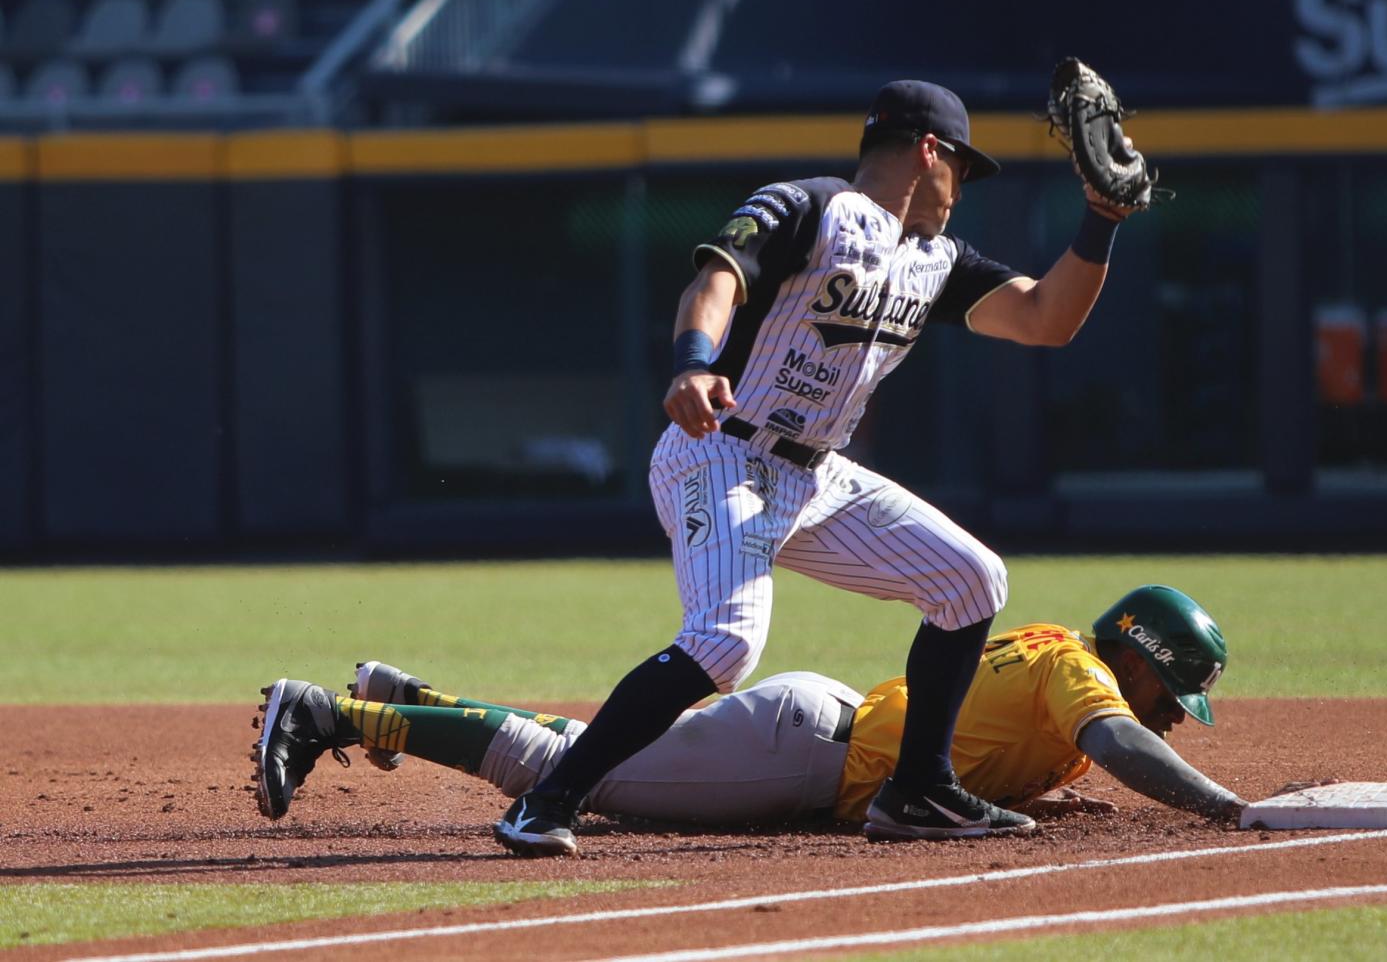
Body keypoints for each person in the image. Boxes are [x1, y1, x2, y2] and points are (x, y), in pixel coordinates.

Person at [490, 80, 1134, 854]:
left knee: (970, 580)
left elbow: (1044, 318)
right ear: (928, 150)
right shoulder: (810, 207)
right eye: (961, 169)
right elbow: (715, 280)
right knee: (725, 642)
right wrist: (693, 363)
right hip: (722, 451)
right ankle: (547, 800)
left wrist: (1102, 219)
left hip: (816, 476)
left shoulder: (935, 259)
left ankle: (920, 790)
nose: (961, 189)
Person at [250, 586, 1247, 836]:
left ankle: (409, 700)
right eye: (1175, 693)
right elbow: (1122, 737)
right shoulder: (1082, 676)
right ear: (1137, 658)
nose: (1175, 715)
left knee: (582, 747)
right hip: (801, 752)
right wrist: (1219, 805)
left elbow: (992, 739)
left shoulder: (1058, 656)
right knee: (563, 772)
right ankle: (331, 714)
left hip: (810, 730)